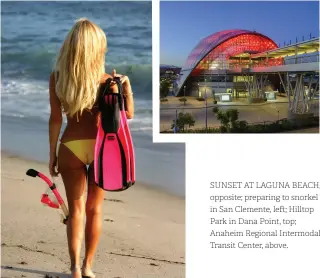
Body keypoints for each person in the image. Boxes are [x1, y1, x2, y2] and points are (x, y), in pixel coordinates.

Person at [48, 18, 134, 278]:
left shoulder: (58, 77)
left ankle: (73, 268)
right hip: (100, 149)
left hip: (70, 147)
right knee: (95, 209)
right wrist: (125, 85)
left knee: (75, 210)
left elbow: (55, 119)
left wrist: (52, 152)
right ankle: (88, 267)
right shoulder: (109, 81)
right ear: (98, 48)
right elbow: (127, 115)